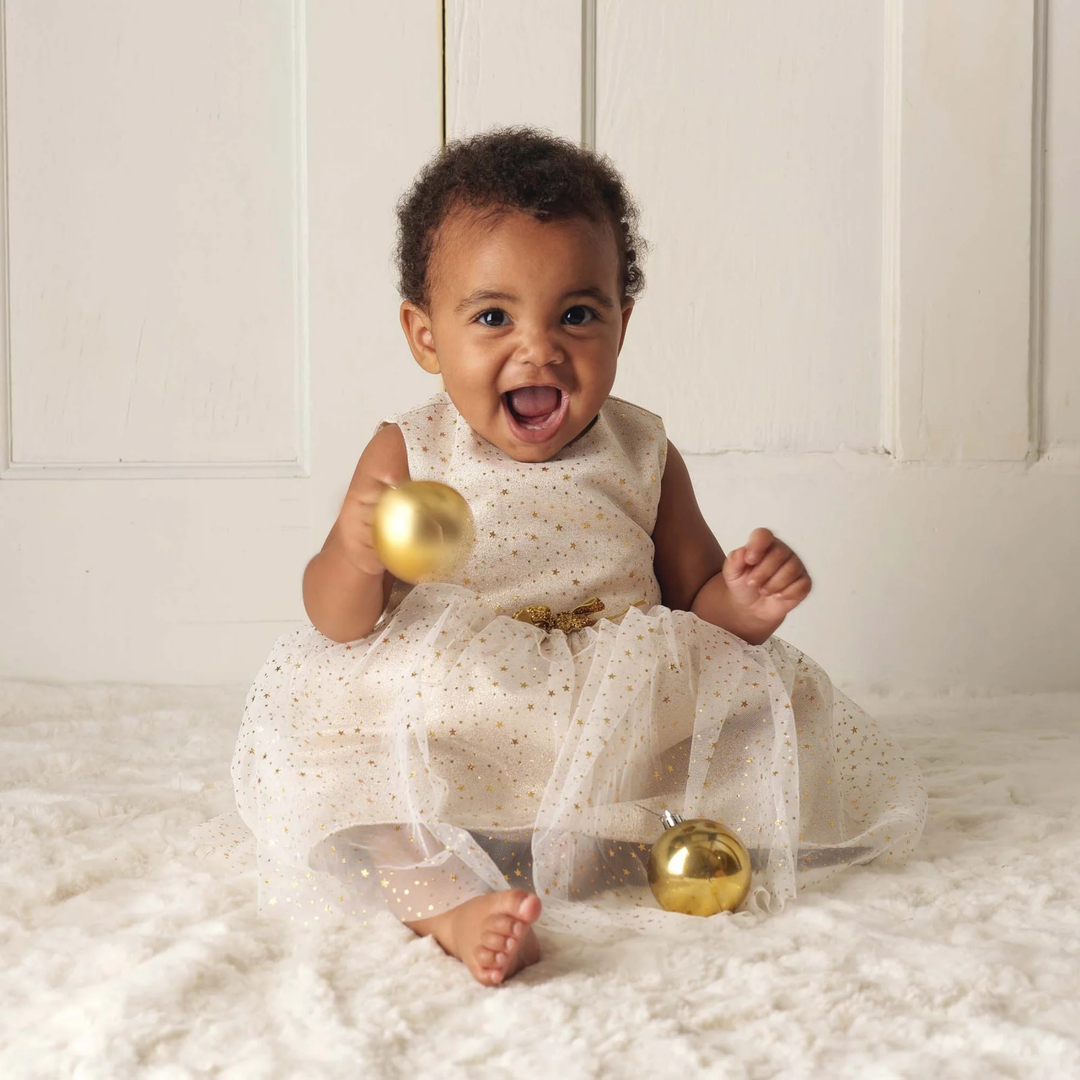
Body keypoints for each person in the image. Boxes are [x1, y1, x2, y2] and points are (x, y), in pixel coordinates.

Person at [231, 127, 926, 987]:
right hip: (463, 711)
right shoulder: (410, 451)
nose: (539, 347)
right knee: (358, 789)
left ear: (621, 322)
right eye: (492, 317)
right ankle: (450, 903)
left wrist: (743, 604)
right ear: (424, 335)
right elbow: (338, 623)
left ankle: (602, 847)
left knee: (749, 732)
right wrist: (351, 550)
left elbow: (694, 599)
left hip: (615, 709)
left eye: (577, 313)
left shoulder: (641, 452)